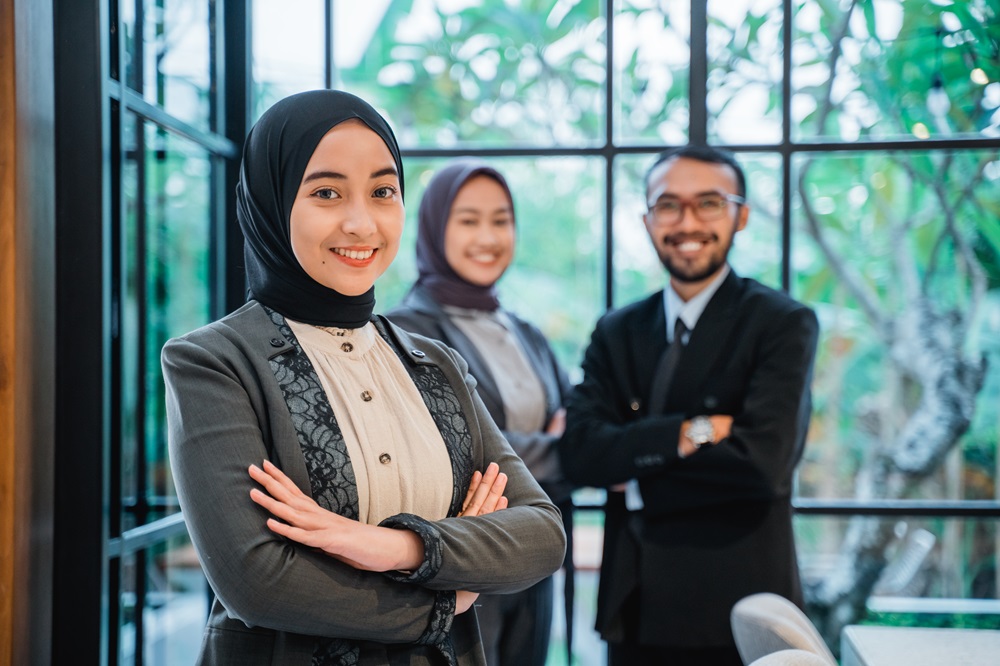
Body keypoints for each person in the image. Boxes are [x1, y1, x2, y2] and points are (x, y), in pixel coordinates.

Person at [161, 89, 566, 666]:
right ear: (272, 202)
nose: (360, 222)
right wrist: (451, 597)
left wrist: (398, 546)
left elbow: (542, 534)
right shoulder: (214, 361)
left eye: (383, 192)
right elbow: (257, 583)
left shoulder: (435, 361)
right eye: (326, 192)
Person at [557, 145, 819, 665]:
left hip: (734, 609)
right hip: (632, 605)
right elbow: (580, 455)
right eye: (668, 205)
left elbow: (761, 465)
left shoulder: (781, 322)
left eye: (709, 203)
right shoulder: (617, 329)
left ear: (740, 215)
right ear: (648, 219)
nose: (687, 222)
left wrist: (631, 471)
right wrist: (693, 432)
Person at [386, 159, 574, 666]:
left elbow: (572, 414)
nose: (488, 236)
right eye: (468, 220)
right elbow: (465, 454)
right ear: (433, 228)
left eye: (501, 219)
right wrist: (561, 449)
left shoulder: (524, 331)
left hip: (531, 560)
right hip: (460, 563)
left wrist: (537, 444)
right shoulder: (407, 332)